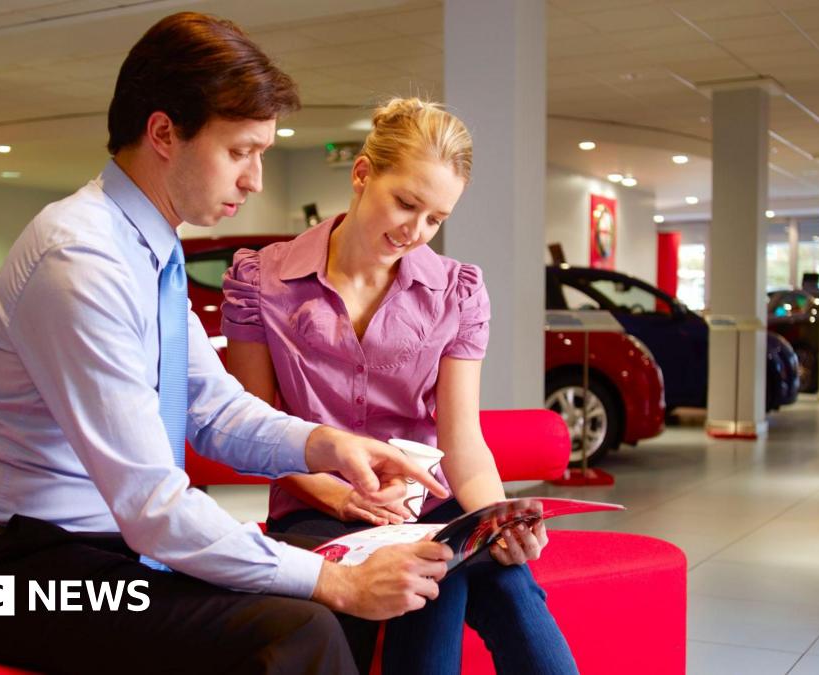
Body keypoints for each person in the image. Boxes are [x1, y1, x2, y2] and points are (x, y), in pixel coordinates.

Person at [0, 13, 453, 675]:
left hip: (89, 553)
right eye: (241, 151)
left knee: (315, 610)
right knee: (300, 629)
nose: (256, 178)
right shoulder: (80, 259)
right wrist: (333, 578)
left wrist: (328, 444)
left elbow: (213, 408)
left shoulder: (149, 248)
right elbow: (153, 506)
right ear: (163, 132)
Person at [222, 97, 579, 675]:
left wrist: (499, 518)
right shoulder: (261, 281)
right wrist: (347, 497)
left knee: (525, 619)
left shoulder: (458, 291)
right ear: (362, 174)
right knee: (431, 583)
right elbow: (255, 429)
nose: (416, 232)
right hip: (316, 506)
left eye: (435, 219)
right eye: (406, 204)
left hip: (433, 504)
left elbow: (462, 441)